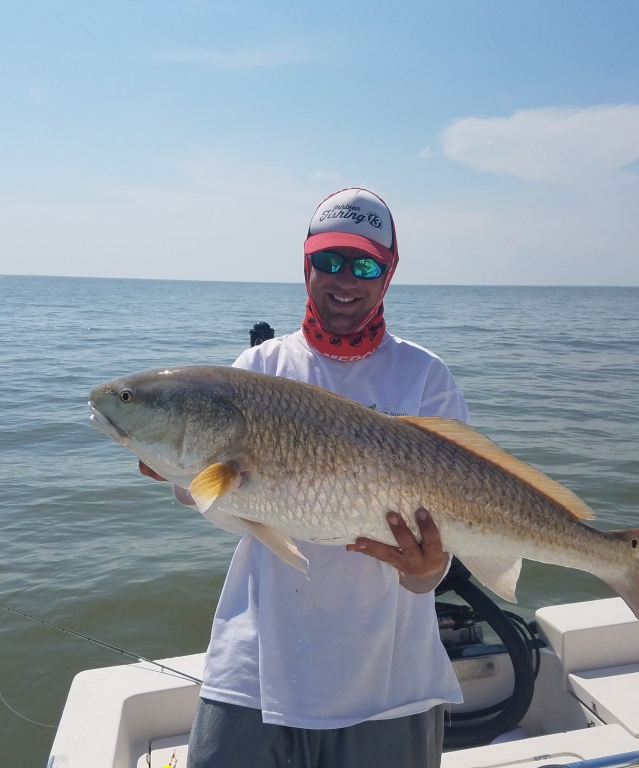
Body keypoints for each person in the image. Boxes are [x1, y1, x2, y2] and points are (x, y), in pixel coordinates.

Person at [143, 187, 469, 767]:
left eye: (366, 264)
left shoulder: (425, 377)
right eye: (329, 261)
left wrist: (427, 575)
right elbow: (233, 511)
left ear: (389, 273)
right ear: (306, 264)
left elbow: (445, 542)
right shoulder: (260, 369)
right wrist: (181, 475)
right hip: (256, 668)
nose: (345, 279)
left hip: (390, 679)